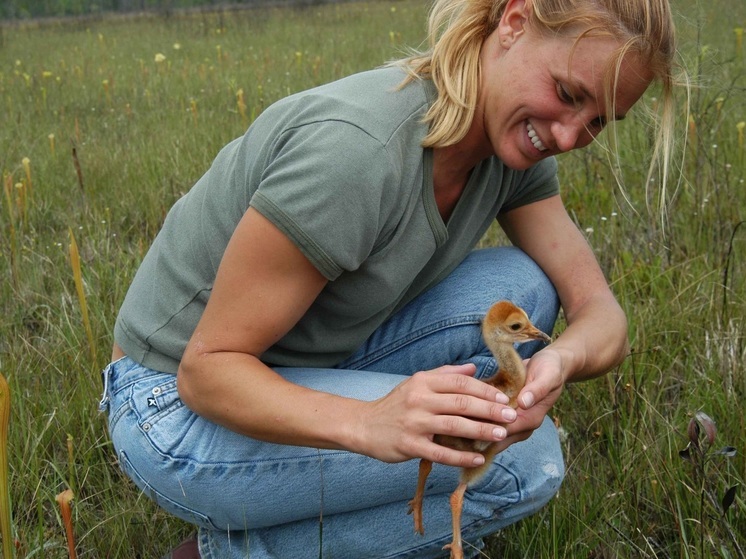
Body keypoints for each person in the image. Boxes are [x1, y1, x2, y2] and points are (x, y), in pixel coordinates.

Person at [99, 0, 678, 557]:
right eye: (567, 94)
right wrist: (368, 422)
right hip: (168, 404)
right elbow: (205, 373)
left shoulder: (509, 148)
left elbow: (603, 315)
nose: (570, 136)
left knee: (524, 285)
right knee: (520, 466)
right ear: (515, 21)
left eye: (599, 120)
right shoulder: (357, 155)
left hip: (287, 360)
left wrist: (561, 361)